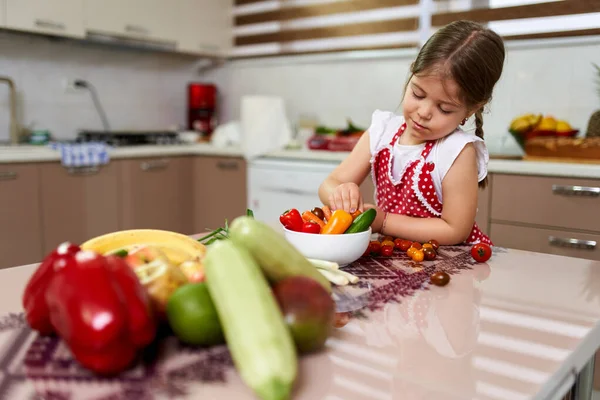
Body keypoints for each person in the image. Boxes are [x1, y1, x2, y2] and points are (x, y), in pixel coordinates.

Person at [318, 20, 505, 246]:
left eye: (444, 108)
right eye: (418, 94)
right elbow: (329, 183)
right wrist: (341, 194)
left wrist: (384, 221)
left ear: (473, 108)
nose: (424, 112)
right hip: (396, 256)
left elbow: (455, 230)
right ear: (412, 72)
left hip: (447, 263)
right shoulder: (382, 131)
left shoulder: (456, 151)